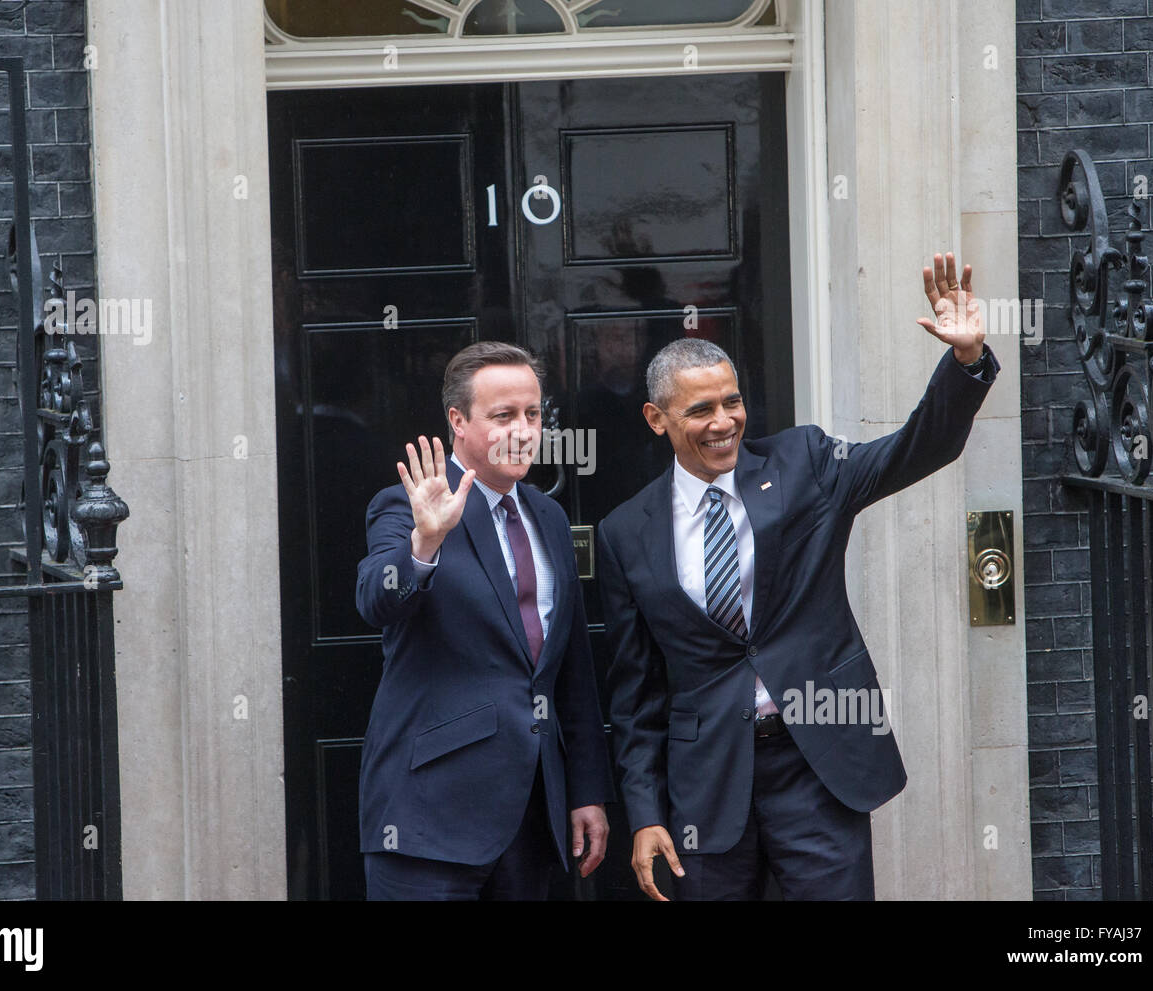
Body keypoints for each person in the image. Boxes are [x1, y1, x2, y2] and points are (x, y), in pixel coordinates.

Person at [597, 252, 1001, 900]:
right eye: (700, 409)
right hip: (706, 786)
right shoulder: (625, 532)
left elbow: (916, 447)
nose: (724, 421)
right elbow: (635, 694)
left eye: (732, 402)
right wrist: (644, 813)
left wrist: (965, 363)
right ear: (657, 418)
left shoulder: (804, 464)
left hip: (816, 765)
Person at [355, 340, 615, 899]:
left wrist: (586, 791)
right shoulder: (408, 505)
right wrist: (426, 541)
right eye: (502, 416)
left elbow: (570, 670)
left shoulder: (547, 515)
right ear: (458, 422)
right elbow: (377, 599)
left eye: (532, 414)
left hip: (533, 818)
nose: (522, 430)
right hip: (429, 817)